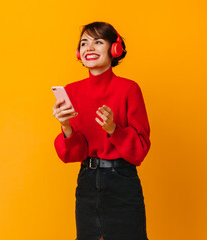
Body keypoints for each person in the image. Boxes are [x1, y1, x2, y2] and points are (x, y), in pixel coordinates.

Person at [53, 21, 151, 240]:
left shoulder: (129, 89)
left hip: (122, 181)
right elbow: (72, 155)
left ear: (114, 49)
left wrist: (113, 129)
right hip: (87, 181)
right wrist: (66, 127)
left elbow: (140, 150)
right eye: (84, 43)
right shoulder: (72, 91)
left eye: (98, 42)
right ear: (78, 53)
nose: (90, 48)